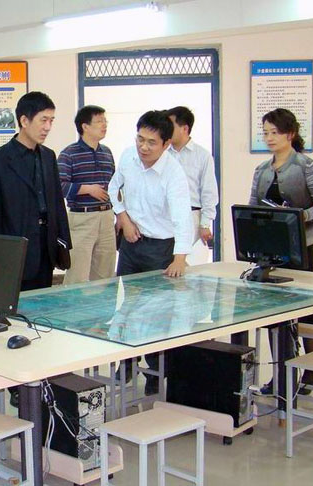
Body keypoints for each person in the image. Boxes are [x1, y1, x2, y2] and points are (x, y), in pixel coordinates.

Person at [107, 110, 193, 395]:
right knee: (125, 308)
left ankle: (157, 371)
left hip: (160, 248)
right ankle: (127, 363)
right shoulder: (128, 157)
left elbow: (182, 217)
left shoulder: (173, 173)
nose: (143, 147)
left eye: (151, 142)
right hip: (131, 245)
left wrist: (179, 258)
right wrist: (123, 217)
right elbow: (112, 189)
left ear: (166, 144)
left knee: (157, 315)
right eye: (140, 139)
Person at [248, 107, 313, 395]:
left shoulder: (306, 166)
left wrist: (298, 216)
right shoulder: (261, 170)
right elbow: (251, 208)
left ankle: (312, 369)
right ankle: (280, 375)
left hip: (301, 248)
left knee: (307, 308)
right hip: (272, 251)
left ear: (290, 134)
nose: (269, 138)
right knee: (275, 314)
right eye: (265, 133)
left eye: (275, 132)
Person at [0, 91, 72, 292]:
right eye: (43, 120)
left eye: (51, 120)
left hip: (46, 247)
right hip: (15, 250)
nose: (48, 127)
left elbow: (57, 202)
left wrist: (63, 241)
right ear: (24, 120)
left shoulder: (48, 156)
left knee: (43, 302)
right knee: (16, 306)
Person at [57, 105, 116, 284]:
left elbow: (115, 185)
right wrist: (88, 189)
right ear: (85, 126)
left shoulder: (107, 152)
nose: (104, 125)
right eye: (99, 121)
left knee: (105, 274)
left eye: (105, 121)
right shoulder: (69, 154)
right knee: (78, 274)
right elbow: (59, 186)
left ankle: (102, 304)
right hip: (82, 219)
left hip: (107, 217)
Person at [165, 106, 218, 265]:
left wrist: (205, 223)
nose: (166, 129)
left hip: (192, 216)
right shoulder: (163, 154)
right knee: (166, 263)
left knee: (189, 266)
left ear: (185, 128)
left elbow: (209, 192)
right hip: (166, 215)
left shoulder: (202, 155)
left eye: (171, 125)